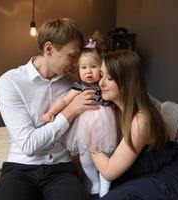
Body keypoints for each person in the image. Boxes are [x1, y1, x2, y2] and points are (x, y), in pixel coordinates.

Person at [0, 18, 99, 200]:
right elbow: (28, 145)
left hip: (61, 169)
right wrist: (70, 111)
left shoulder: (74, 83)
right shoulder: (9, 82)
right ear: (49, 49)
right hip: (20, 167)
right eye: (72, 56)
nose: (75, 64)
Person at [90, 49, 178, 200]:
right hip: (143, 176)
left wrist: (89, 143)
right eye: (101, 75)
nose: (101, 82)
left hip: (168, 181)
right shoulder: (115, 109)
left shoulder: (141, 120)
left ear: (126, 81)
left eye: (109, 78)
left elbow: (109, 171)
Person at [42, 32, 118, 198]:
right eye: (84, 67)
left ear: (102, 67)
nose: (88, 71)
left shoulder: (104, 83)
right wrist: (52, 112)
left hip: (105, 124)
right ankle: (95, 182)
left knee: (106, 156)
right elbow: (64, 101)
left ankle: (105, 187)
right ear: (78, 69)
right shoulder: (78, 86)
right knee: (86, 159)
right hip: (84, 127)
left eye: (93, 66)